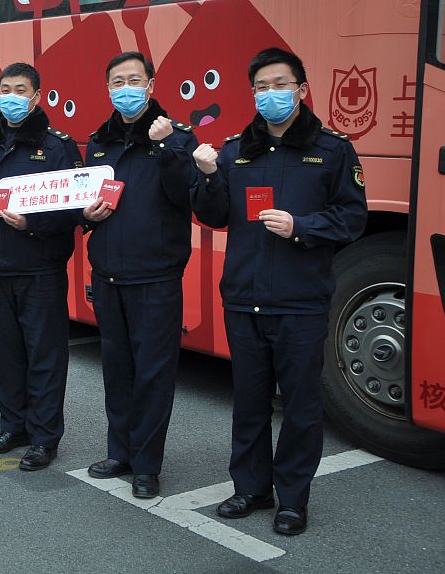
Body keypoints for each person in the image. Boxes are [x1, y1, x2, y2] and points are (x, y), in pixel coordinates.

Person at [191, 48, 366, 536]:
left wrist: (301, 226)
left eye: (280, 84)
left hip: (300, 300)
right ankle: (249, 488)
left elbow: (353, 217)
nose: (271, 95)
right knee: (248, 401)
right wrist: (206, 177)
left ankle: (292, 498)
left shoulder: (332, 150)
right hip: (244, 298)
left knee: (301, 406)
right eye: (262, 87)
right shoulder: (235, 150)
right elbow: (214, 215)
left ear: (302, 89)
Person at [0, 62, 83, 471]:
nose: (11, 96)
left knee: (44, 356)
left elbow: (75, 209)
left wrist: (32, 223)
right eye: (5, 89)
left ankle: (44, 437)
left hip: (40, 267)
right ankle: (13, 426)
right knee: (5, 356)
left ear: (36, 96)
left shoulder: (57, 146)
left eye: (20, 90)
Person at [81, 52, 197, 499]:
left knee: (153, 372)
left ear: (151, 84)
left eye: (134, 79)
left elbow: (187, 196)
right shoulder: (99, 141)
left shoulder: (176, 137)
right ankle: (121, 452)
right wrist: (86, 216)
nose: (125, 87)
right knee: (118, 368)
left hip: (156, 276)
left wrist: (167, 147)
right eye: (117, 80)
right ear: (107, 87)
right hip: (109, 273)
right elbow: (88, 199)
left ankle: (147, 464)